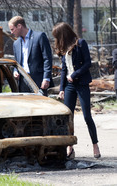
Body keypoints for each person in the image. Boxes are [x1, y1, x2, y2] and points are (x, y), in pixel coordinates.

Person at [52, 22, 101, 159]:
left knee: (86, 116)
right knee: (68, 117)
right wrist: (61, 89)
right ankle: (70, 147)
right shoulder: (63, 48)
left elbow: (87, 63)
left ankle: (95, 144)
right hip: (69, 86)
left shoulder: (81, 43)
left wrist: (75, 75)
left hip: (81, 83)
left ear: (64, 34)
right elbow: (64, 70)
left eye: (57, 36)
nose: (56, 40)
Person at [8, 16, 53, 96]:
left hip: (39, 81)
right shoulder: (16, 43)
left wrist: (46, 78)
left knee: (40, 106)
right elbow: (17, 61)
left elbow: (47, 59)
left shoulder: (39, 37)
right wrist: (15, 71)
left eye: (12, 29)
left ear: (19, 26)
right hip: (23, 81)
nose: (11, 32)